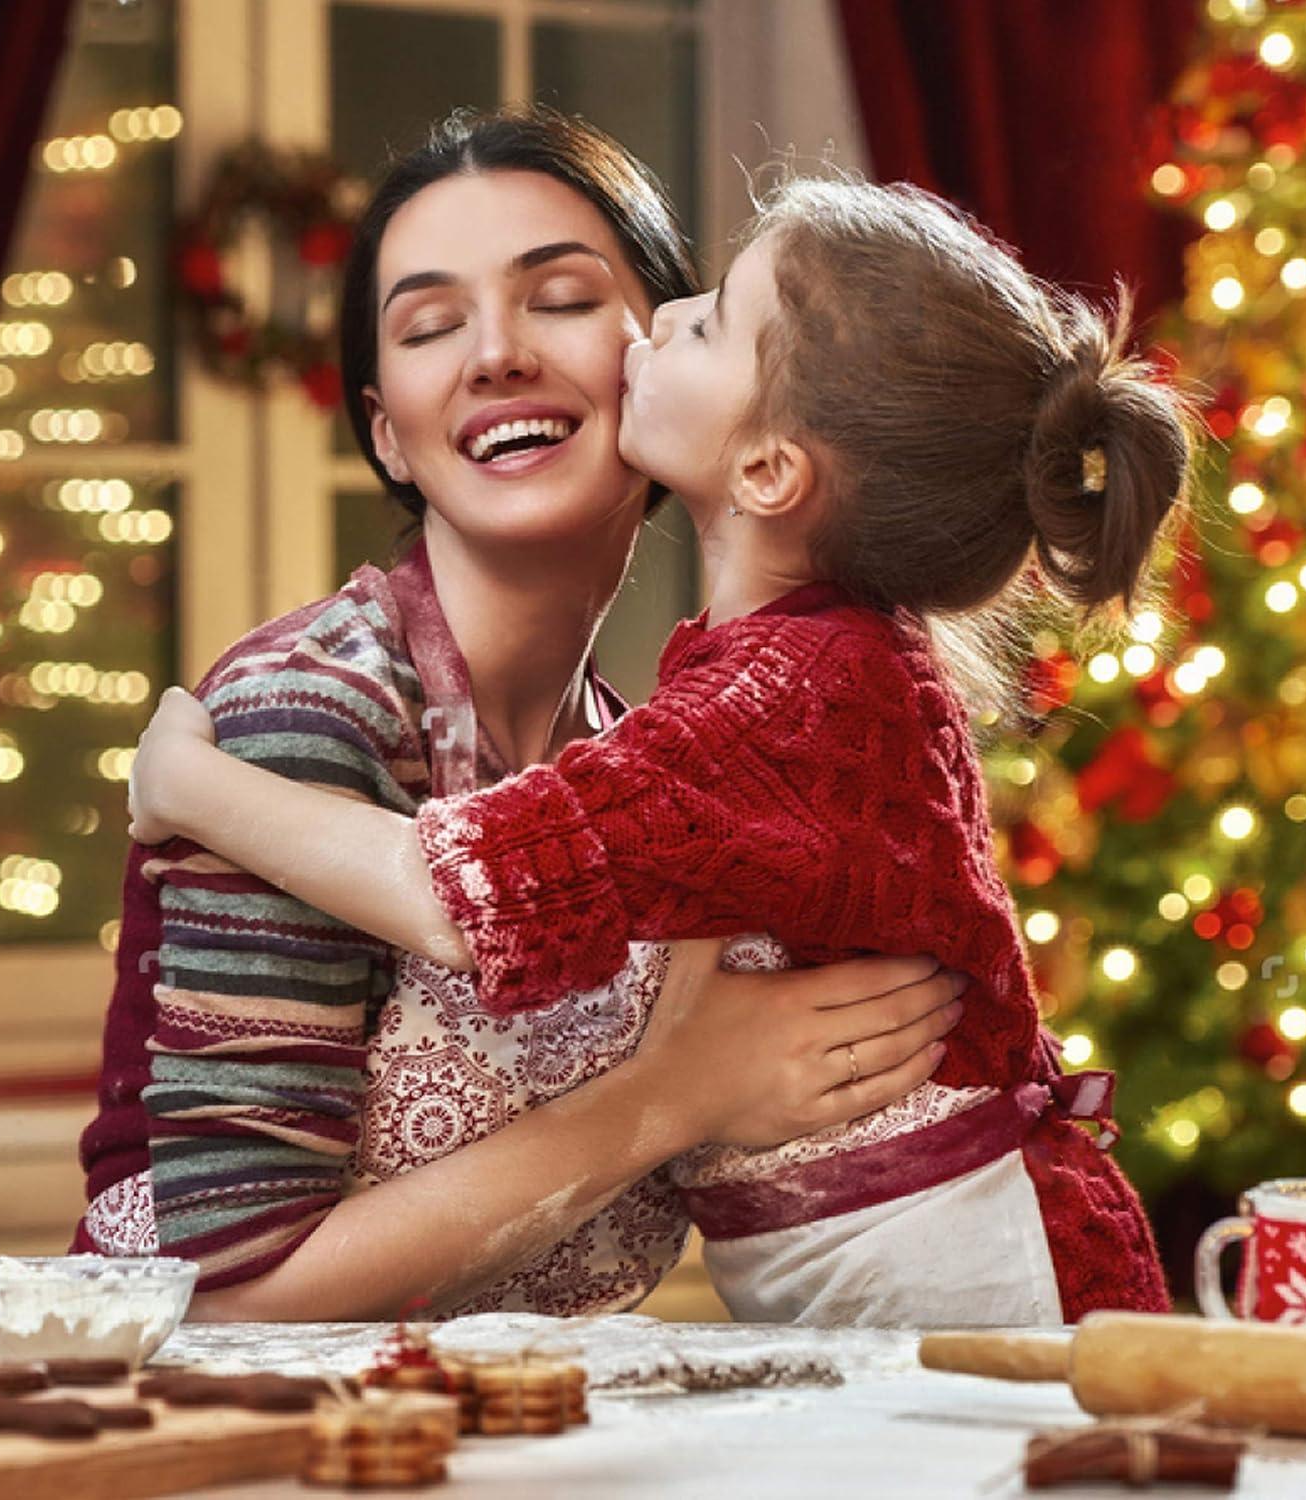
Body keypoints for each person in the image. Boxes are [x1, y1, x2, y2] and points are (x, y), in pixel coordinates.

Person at [129, 175, 1192, 1327]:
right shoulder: (750, 686)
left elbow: (459, 893)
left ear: (770, 470)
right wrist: (679, 1091)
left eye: (706, 320)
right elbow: (224, 1294)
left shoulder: (778, 698)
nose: (662, 319)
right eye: (432, 323)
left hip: (968, 1262)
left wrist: (191, 785)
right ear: (384, 429)